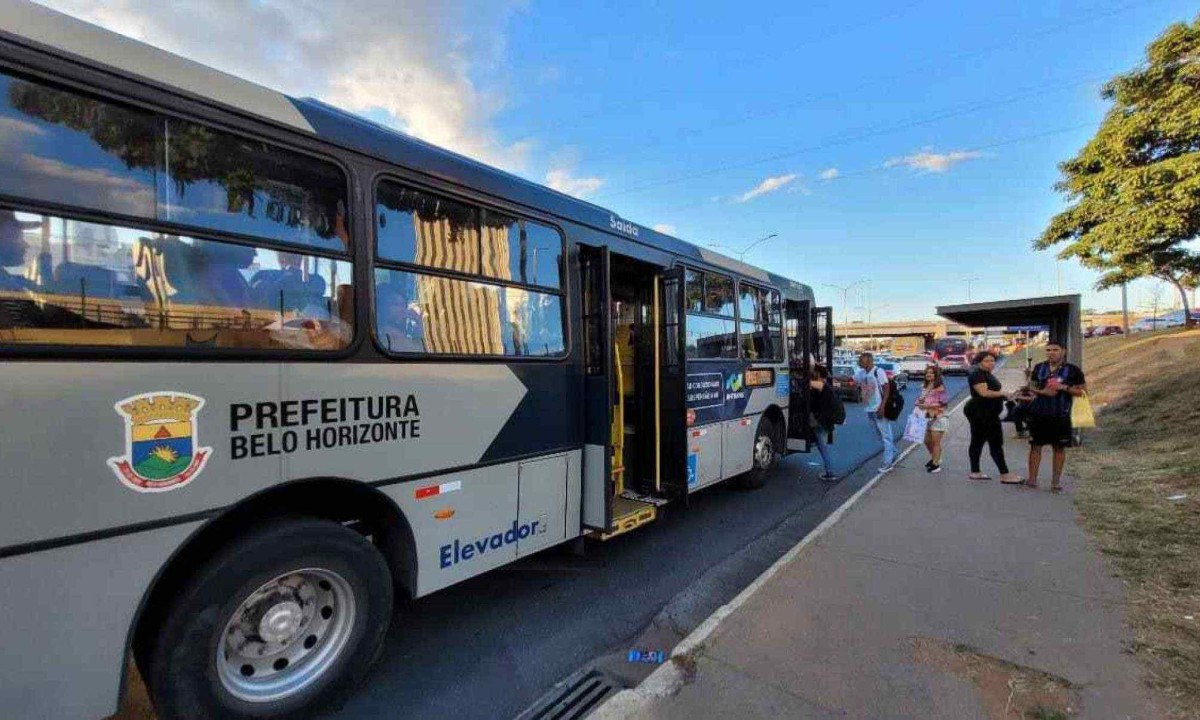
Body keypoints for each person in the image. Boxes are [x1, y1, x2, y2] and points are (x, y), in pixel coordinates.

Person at [1026, 341, 1086, 492]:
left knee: (1059, 448)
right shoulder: (1039, 367)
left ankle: (1055, 482)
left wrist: (1063, 387)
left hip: (1061, 414)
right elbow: (1031, 387)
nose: (1051, 353)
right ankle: (1032, 479)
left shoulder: (1072, 370)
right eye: (1048, 350)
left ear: (1063, 351)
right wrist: (1038, 391)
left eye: (1055, 350)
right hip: (1039, 413)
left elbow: (1083, 392)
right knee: (1035, 446)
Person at [965, 352, 1022, 483]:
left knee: (978, 441)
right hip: (982, 413)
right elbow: (984, 393)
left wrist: (1010, 395)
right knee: (995, 442)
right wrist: (1004, 393)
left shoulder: (986, 374)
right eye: (987, 361)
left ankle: (975, 472)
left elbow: (993, 393)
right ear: (979, 362)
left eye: (992, 360)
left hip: (987, 412)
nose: (991, 363)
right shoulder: (977, 374)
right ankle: (1004, 474)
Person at [855, 352, 896, 472]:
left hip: (878, 408)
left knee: (885, 436)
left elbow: (886, 389)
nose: (859, 362)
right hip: (869, 408)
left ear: (869, 361)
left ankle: (888, 463)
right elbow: (851, 379)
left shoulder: (879, 372)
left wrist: (882, 407)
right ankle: (892, 452)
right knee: (879, 435)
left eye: (861, 360)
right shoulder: (861, 373)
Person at [916, 364, 949, 473]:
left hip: (939, 417)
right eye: (927, 373)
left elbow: (943, 404)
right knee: (926, 441)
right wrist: (919, 402)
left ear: (936, 375)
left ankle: (936, 464)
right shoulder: (925, 386)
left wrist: (926, 406)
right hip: (927, 417)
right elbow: (922, 400)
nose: (928, 375)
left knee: (936, 442)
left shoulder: (940, 388)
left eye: (931, 373)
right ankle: (936, 457)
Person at [808, 365, 837, 481]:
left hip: (821, 422)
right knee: (822, 447)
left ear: (819, 375)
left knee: (823, 447)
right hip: (826, 421)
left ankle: (830, 472)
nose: (813, 374)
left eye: (815, 372)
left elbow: (807, 383)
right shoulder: (827, 385)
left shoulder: (821, 385)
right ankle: (829, 470)